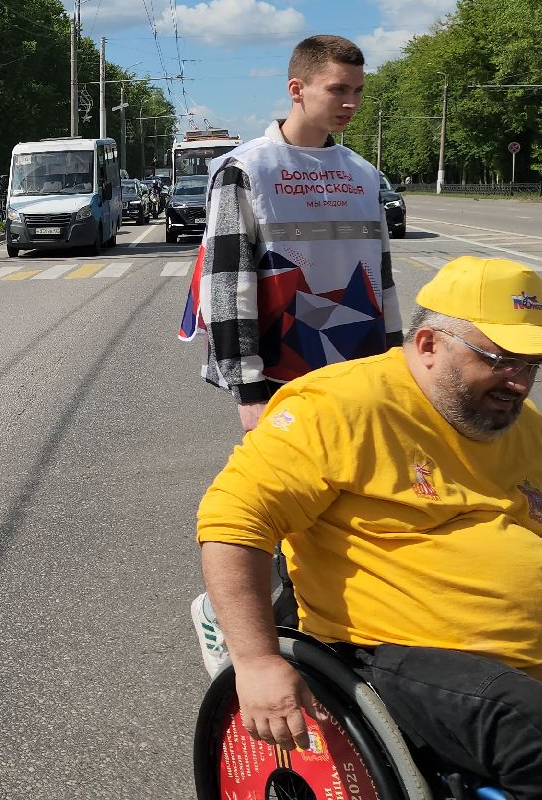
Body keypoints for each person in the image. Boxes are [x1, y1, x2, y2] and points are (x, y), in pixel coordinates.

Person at [197, 257, 542, 799]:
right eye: (502, 360)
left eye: (533, 364)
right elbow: (234, 522)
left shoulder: (526, 427)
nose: (520, 383)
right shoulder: (339, 407)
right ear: (430, 344)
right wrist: (256, 661)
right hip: (398, 652)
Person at [181, 35, 402, 671]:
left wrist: (397, 366)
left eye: (358, 91)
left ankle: (328, 633)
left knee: (350, 505)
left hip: (359, 368)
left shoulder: (363, 175)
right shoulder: (246, 169)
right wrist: (248, 388)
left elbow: (383, 275)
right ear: (297, 89)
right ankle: (231, 619)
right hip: (282, 373)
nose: (351, 102)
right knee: (283, 508)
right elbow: (227, 281)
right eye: (339, 89)